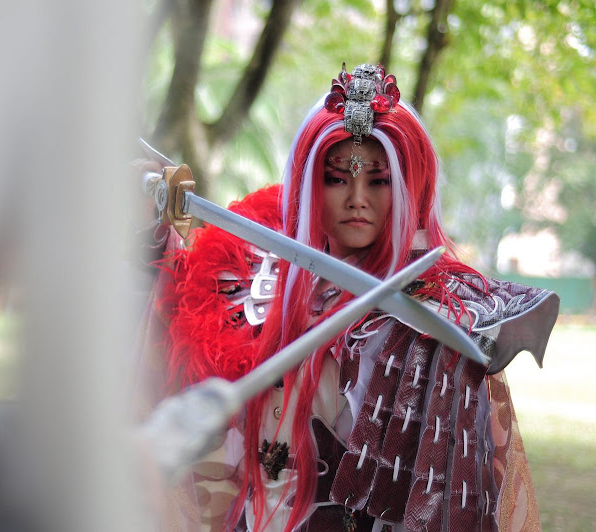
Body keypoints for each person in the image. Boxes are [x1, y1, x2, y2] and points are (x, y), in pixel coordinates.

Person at [139, 63, 559, 531]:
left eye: (378, 180)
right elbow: (171, 322)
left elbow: (459, 485)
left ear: (409, 186)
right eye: (337, 178)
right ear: (309, 183)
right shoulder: (256, 274)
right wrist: (150, 228)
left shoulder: (443, 311)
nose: (357, 199)